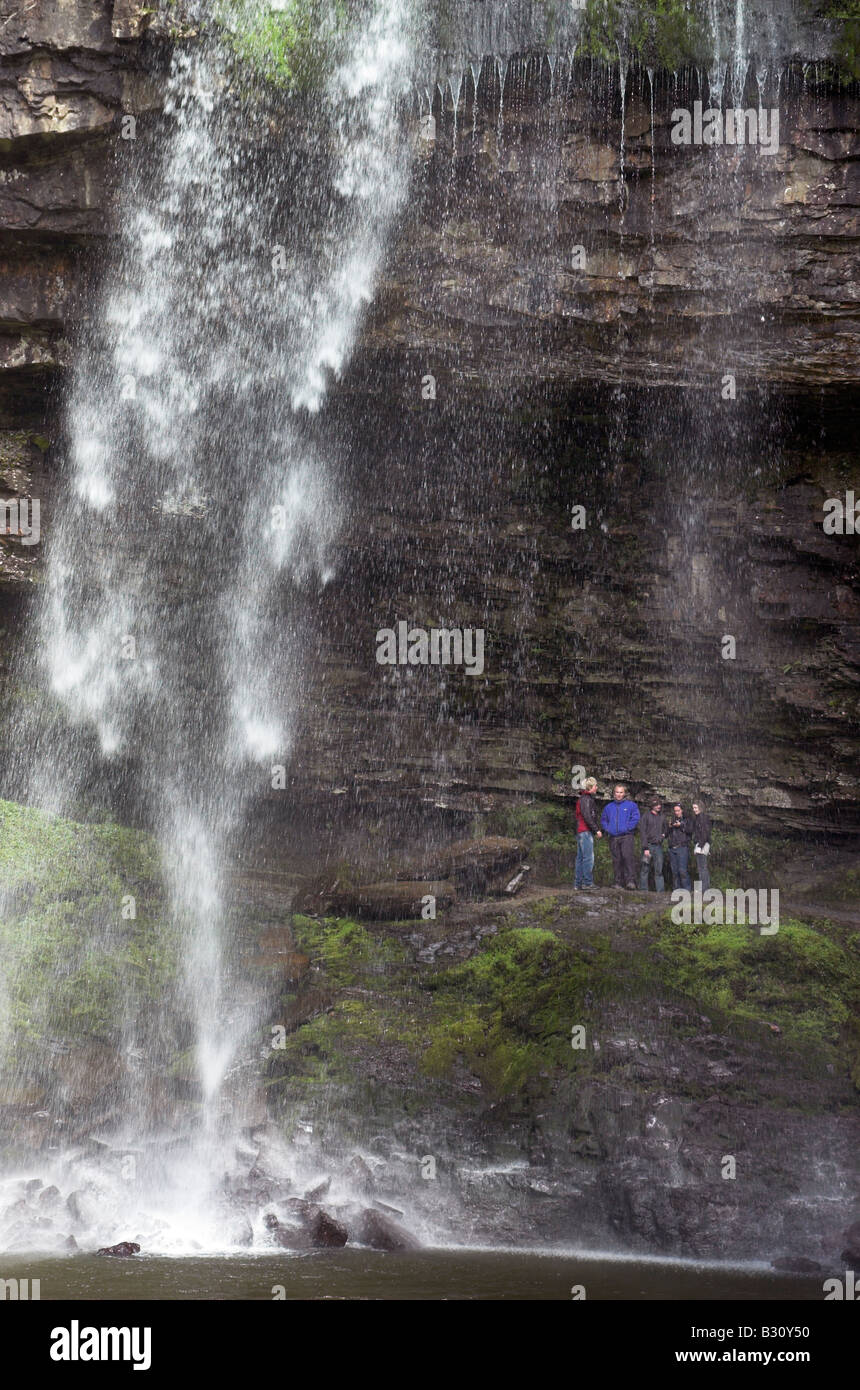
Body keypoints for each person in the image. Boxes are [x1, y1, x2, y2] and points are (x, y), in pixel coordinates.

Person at [600, 783, 640, 889]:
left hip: (627, 836)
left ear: (624, 793)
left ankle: (630, 882)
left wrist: (628, 828)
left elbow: (635, 818)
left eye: (621, 792)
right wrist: (608, 829)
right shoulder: (608, 807)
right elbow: (603, 820)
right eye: (617, 792)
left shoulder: (631, 805)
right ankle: (618, 882)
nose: (618, 794)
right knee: (616, 860)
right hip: (613, 837)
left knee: (627, 858)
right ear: (614, 793)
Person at [574, 777, 602, 889]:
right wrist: (596, 830)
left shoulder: (583, 798)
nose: (597, 787)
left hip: (580, 831)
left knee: (580, 858)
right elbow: (587, 816)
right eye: (595, 785)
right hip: (585, 831)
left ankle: (578, 884)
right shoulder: (586, 799)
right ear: (590, 787)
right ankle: (587, 883)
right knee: (588, 858)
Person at [639, 796, 668, 892]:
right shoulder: (646, 816)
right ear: (651, 805)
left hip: (658, 847)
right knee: (645, 869)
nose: (658, 806)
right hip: (648, 846)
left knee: (659, 870)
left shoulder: (662, 817)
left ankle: (660, 891)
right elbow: (642, 833)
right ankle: (643, 890)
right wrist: (645, 848)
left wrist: (663, 835)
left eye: (659, 804)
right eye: (656, 805)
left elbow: (666, 829)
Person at [667, 802, 692, 890]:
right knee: (674, 872)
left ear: (682, 810)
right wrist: (669, 827)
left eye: (678, 810)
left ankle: (687, 890)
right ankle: (676, 890)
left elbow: (690, 830)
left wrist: (681, 825)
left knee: (682, 871)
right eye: (675, 811)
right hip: (672, 848)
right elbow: (667, 833)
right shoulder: (672, 819)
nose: (676, 812)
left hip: (682, 847)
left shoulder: (687, 820)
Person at [691, 797, 712, 892]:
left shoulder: (703, 817)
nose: (694, 810)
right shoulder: (698, 817)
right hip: (700, 843)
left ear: (700, 807)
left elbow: (705, 833)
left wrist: (700, 846)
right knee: (700, 867)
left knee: (702, 867)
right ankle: (703, 888)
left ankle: (705, 889)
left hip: (702, 844)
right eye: (693, 808)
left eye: (696, 808)